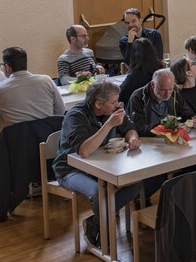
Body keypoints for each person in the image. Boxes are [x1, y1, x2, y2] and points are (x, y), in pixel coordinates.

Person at [52, 80, 142, 249]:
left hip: (102, 167)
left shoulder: (112, 110)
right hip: (70, 169)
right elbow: (84, 151)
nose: (117, 105)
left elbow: (130, 128)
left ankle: (94, 223)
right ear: (99, 104)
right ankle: (106, 239)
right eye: (113, 102)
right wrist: (109, 125)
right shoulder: (75, 116)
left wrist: (132, 138)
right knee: (97, 191)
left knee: (135, 182)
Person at [0, 46, 66, 135]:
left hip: (13, 142)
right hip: (45, 139)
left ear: (7, 67)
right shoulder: (47, 81)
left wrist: (2, 115)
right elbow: (61, 110)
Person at [128, 68, 184, 133]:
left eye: (170, 89)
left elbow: (185, 112)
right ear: (152, 85)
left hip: (169, 136)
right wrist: (162, 125)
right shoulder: (138, 97)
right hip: (149, 137)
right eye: (162, 90)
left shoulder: (174, 93)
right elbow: (138, 128)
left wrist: (192, 117)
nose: (167, 94)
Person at [118, 37, 162, 105]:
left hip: (138, 108)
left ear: (134, 54)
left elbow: (120, 95)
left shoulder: (134, 75)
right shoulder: (160, 69)